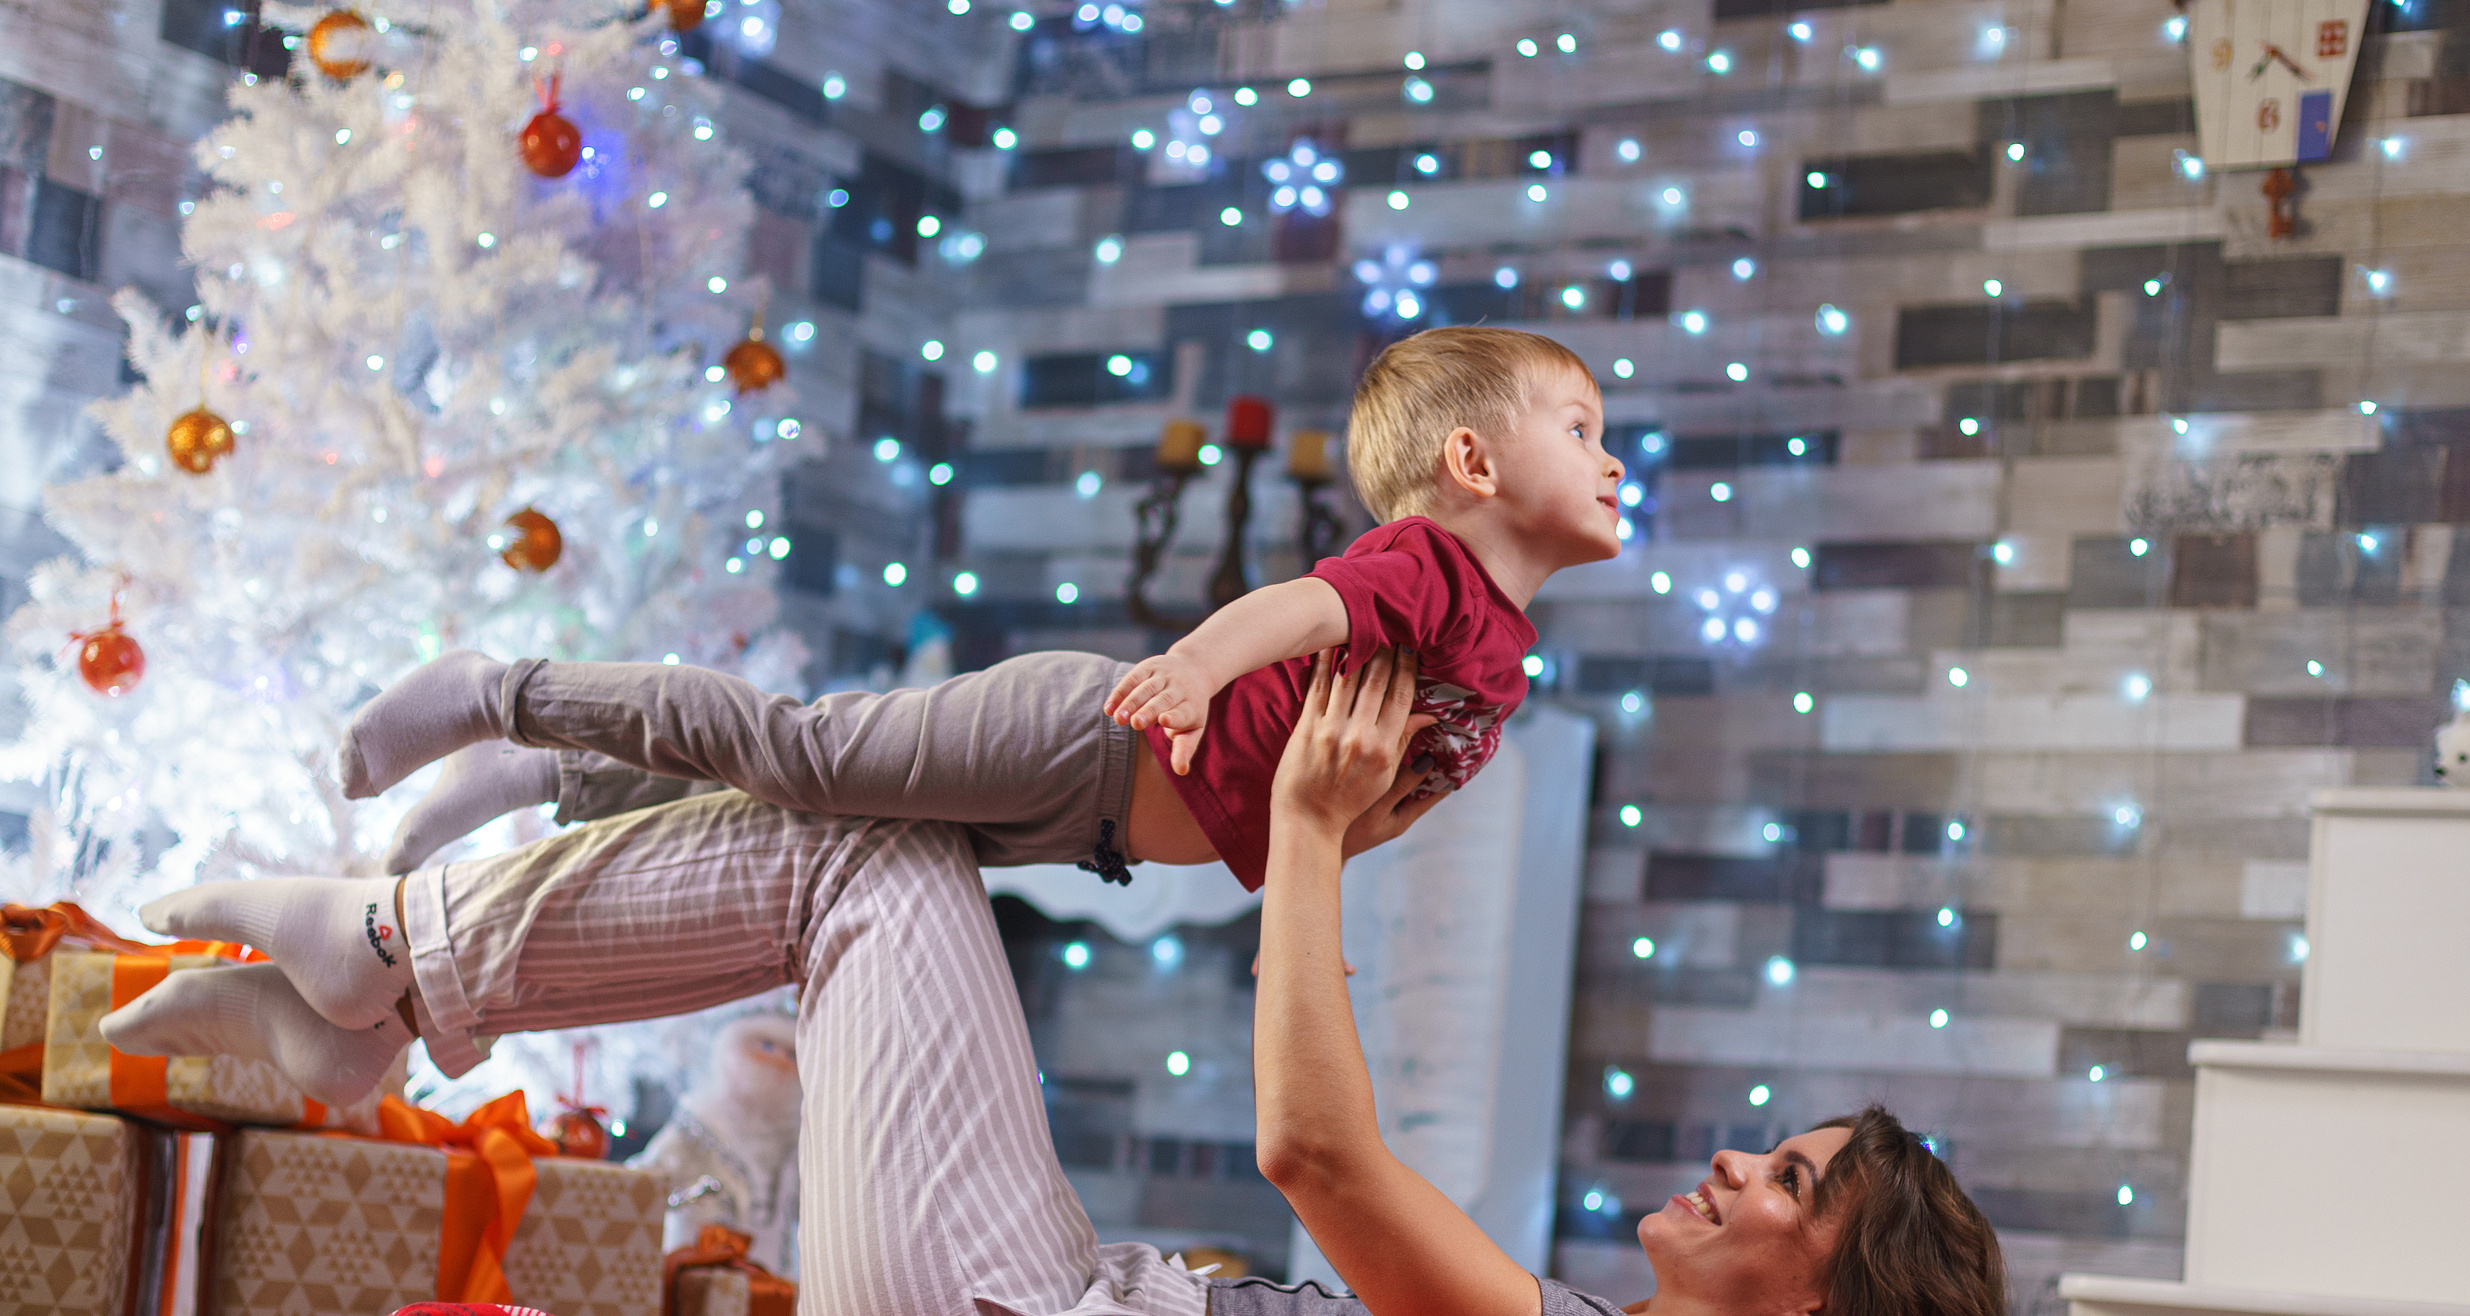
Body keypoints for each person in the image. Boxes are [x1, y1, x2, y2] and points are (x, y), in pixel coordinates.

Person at [103, 647, 2008, 1316]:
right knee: (873, 845)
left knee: (884, 844)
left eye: (1789, 1176)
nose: (1735, 1158)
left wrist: (1317, 832)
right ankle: (389, 967)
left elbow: (1316, 1156)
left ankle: (393, 958)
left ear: (1821, 1295)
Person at [321, 325, 1618, 905]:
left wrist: (1311, 913)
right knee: (803, 751)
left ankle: (542, 774)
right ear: (1474, 465)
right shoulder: (1431, 572)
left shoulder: (1504, 658)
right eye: (1582, 430)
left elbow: (1351, 812)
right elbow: (1302, 603)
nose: (1611, 461)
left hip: (1094, 828)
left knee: (786, 814)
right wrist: (1189, 663)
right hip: (1092, 744)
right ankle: (499, 688)